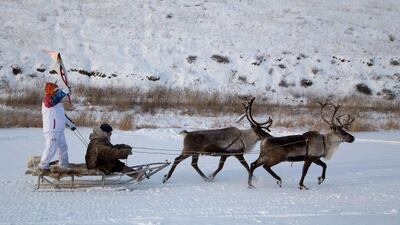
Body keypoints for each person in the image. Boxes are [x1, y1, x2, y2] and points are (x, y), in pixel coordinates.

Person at [39, 82, 75, 170]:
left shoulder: (58, 104)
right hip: (51, 129)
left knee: (63, 147)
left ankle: (64, 164)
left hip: (59, 130)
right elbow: (51, 102)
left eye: (57, 90)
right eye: (55, 90)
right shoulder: (47, 100)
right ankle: (43, 166)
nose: (57, 92)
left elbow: (62, 116)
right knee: (51, 147)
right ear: (50, 91)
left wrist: (71, 125)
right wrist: (63, 93)